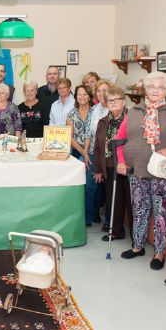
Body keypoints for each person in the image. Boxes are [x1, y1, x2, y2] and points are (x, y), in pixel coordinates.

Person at [116, 72, 166, 270]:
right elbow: (119, 140)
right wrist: (121, 161)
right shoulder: (133, 112)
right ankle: (137, 246)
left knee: (162, 213)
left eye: (160, 87)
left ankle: (159, 252)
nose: (156, 90)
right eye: (152, 86)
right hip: (137, 171)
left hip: (163, 173)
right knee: (139, 211)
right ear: (145, 89)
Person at [93, 87, 131, 240]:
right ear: (106, 103)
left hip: (128, 166)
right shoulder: (103, 122)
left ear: (124, 100)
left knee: (131, 201)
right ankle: (116, 231)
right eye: (110, 100)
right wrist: (97, 169)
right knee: (113, 199)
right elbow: (97, 147)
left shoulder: (132, 119)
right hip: (109, 165)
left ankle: (137, 238)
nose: (114, 103)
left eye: (117, 99)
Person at [66, 85, 96, 225]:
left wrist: (87, 153)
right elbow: (69, 137)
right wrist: (83, 152)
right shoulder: (71, 114)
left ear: (89, 96)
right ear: (75, 97)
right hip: (77, 151)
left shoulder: (96, 112)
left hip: (93, 152)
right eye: (79, 94)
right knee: (77, 185)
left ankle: (88, 217)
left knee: (90, 186)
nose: (82, 97)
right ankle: (76, 215)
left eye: (85, 94)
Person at [88, 79, 113, 224]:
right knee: (93, 186)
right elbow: (89, 134)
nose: (102, 93)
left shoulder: (115, 108)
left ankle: (110, 222)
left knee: (108, 190)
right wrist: (86, 153)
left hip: (110, 155)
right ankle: (94, 213)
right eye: (99, 90)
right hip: (94, 153)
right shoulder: (94, 109)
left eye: (104, 90)